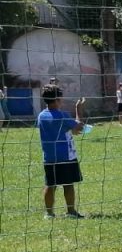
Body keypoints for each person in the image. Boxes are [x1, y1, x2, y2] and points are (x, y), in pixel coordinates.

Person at [37, 86, 87, 219]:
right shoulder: (62, 115)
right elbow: (79, 128)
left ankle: (49, 214)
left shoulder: (41, 116)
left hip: (49, 157)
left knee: (50, 184)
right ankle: (71, 212)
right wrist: (78, 109)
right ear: (57, 99)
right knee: (68, 184)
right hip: (65, 156)